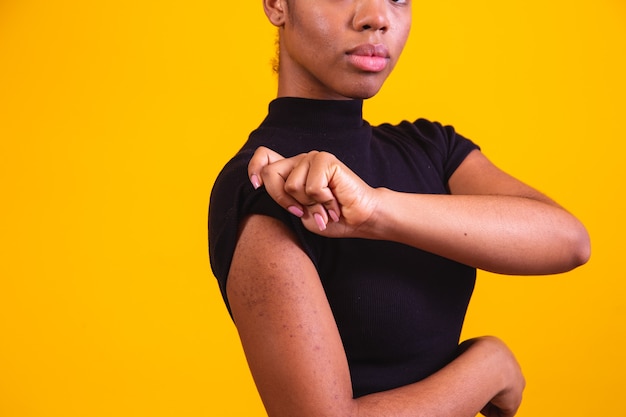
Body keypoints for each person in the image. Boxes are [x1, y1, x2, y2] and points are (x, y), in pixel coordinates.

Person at [208, 0, 591, 416]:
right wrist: (488, 368)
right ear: (278, 5)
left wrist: (375, 212)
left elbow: (570, 241)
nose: (377, 16)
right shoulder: (269, 188)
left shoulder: (430, 149)